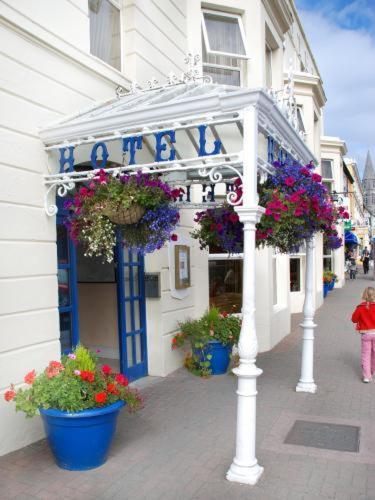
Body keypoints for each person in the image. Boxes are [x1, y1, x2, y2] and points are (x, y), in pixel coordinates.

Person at [351, 287, 375, 382]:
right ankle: (372, 371)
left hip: (366, 334)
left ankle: (367, 376)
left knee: (366, 355)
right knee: (374, 354)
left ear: (364, 295)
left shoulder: (361, 307)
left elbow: (354, 319)